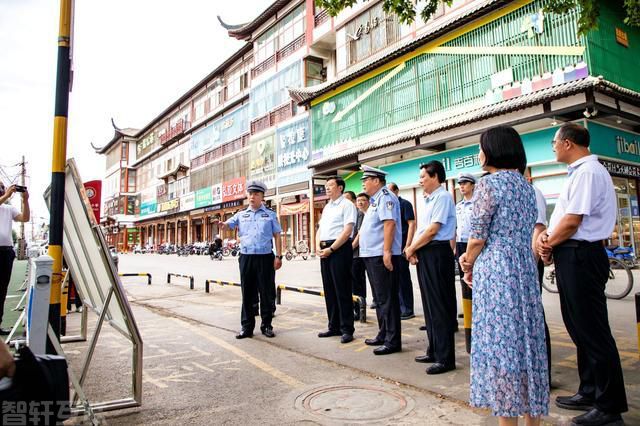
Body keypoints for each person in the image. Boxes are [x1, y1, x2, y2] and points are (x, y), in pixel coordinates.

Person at [537, 123, 627, 425]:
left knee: (593, 331)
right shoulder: (579, 172)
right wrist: (550, 242)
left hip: (582, 255)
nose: (552, 147)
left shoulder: (588, 172)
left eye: (553, 142)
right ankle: (590, 389)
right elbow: (565, 220)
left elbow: (573, 221)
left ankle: (610, 406)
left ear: (567, 143)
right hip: (571, 253)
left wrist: (547, 241)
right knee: (578, 327)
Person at [459, 126, 548, 425]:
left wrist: (467, 261)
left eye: (482, 147)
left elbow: (477, 237)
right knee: (526, 341)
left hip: (496, 269)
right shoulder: (526, 186)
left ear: (494, 150)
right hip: (523, 267)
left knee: (501, 345)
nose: (479, 153)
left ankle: (506, 420)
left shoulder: (488, 185)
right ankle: (532, 418)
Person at [404, 161, 457, 375]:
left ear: (435, 177)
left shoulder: (443, 197)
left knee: (439, 307)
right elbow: (421, 230)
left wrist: (410, 249)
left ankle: (446, 358)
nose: (420, 181)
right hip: (426, 253)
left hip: (437, 253)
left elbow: (433, 230)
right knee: (429, 305)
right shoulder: (429, 200)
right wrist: (414, 249)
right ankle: (434, 350)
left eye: (423, 177)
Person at [218, 181, 283, 339]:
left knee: (266, 293)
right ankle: (246, 327)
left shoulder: (270, 214)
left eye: (256, 194)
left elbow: (277, 235)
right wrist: (223, 225)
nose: (252, 196)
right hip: (246, 257)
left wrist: (279, 256)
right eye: (250, 194)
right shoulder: (241, 215)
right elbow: (228, 225)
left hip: (265, 258)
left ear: (262, 196)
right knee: (247, 292)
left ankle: (266, 325)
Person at [358, 165, 402, 355]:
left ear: (376, 181)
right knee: (379, 298)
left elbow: (389, 224)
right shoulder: (375, 200)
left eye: (365, 180)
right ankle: (383, 333)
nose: (363, 183)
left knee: (387, 298)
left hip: (380, 255)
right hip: (370, 254)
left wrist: (386, 251)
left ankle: (393, 340)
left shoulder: (385, 197)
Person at [316, 177, 357, 344]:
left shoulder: (347, 205)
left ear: (340, 188)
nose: (327, 188)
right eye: (325, 186)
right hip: (325, 250)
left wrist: (331, 249)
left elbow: (347, 231)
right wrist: (317, 245)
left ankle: (347, 329)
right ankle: (333, 326)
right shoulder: (327, 207)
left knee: (343, 290)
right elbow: (320, 228)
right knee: (330, 289)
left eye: (330, 185)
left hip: (339, 249)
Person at [0, 182, 30, 335]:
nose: (1, 189)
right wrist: (6, 196)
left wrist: (25, 200)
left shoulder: (8, 209)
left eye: (2, 187)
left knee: (2, 289)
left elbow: (25, 218)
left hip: (6, 252)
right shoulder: (4, 201)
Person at [531, 183, 552, 388]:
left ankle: (543, 374)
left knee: (535, 316)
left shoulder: (532, 192)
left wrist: (532, 260)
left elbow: (539, 227)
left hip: (529, 263)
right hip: (515, 267)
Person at [387, 183, 416, 320]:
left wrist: (408, 244)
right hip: (392, 248)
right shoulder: (389, 205)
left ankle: (408, 309)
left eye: (390, 190)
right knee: (395, 279)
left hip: (402, 246)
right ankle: (399, 307)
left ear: (397, 191)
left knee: (403, 278)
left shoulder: (405, 204)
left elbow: (411, 224)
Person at [454, 173, 475, 323]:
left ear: (473, 185)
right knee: (463, 276)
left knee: (474, 276)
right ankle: (467, 306)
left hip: (473, 243)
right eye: (460, 184)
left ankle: (477, 306)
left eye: (465, 183)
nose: (462, 186)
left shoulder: (477, 204)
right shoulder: (458, 206)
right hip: (461, 244)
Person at [351, 192, 369, 320]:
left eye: (362, 200)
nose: (360, 203)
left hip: (357, 254)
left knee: (358, 283)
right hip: (349, 254)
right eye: (359, 200)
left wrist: (351, 247)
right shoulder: (351, 214)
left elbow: (360, 233)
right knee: (352, 284)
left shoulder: (360, 214)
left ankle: (360, 310)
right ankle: (355, 308)